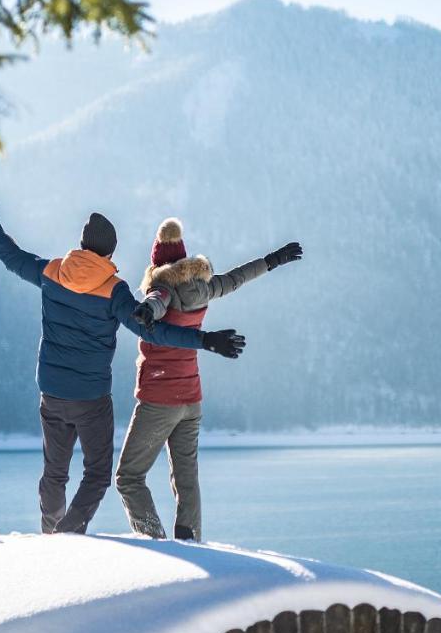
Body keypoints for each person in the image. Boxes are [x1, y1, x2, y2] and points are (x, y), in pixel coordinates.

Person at [0, 197, 247, 534]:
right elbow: (153, 332)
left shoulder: (52, 272)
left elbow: (12, 258)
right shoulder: (115, 291)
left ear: (82, 245)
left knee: (55, 472)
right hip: (91, 398)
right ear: (110, 254)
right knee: (98, 474)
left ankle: (50, 530)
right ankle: (67, 533)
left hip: (52, 394)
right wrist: (205, 340)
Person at [116, 217, 302, 541]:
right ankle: (191, 541)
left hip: (160, 396)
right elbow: (236, 278)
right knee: (186, 480)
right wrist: (274, 259)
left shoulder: (162, 287)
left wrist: (146, 310)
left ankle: (155, 542)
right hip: (191, 399)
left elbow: (158, 301)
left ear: (157, 261)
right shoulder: (204, 287)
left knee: (128, 477)